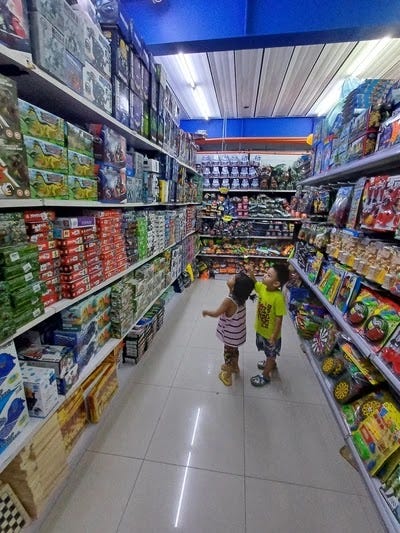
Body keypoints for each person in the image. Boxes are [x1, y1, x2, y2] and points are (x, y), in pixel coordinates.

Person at [202, 271, 255, 386]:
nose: (231, 277)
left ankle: (227, 375)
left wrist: (206, 312)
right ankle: (236, 367)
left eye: (233, 278)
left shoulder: (229, 301)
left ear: (235, 286)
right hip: (238, 334)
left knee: (227, 355)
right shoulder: (242, 297)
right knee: (235, 351)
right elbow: (237, 291)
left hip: (229, 335)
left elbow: (216, 313)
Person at [247, 264, 289, 387]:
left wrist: (274, 335)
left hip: (271, 335)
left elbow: (279, 319)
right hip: (261, 329)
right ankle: (272, 363)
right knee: (268, 353)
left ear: (276, 284)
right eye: (266, 273)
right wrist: (251, 273)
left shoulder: (278, 298)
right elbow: (255, 284)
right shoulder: (263, 288)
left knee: (270, 354)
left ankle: (265, 375)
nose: (265, 275)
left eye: (269, 275)